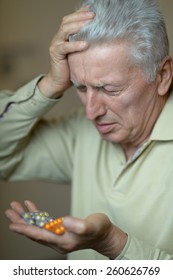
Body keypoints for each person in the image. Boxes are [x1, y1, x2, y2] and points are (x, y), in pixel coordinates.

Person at [0, 0, 173, 260]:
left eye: (108, 89)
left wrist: (113, 243)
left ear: (162, 76)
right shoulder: (81, 131)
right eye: (81, 88)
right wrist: (50, 85)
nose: (91, 112)